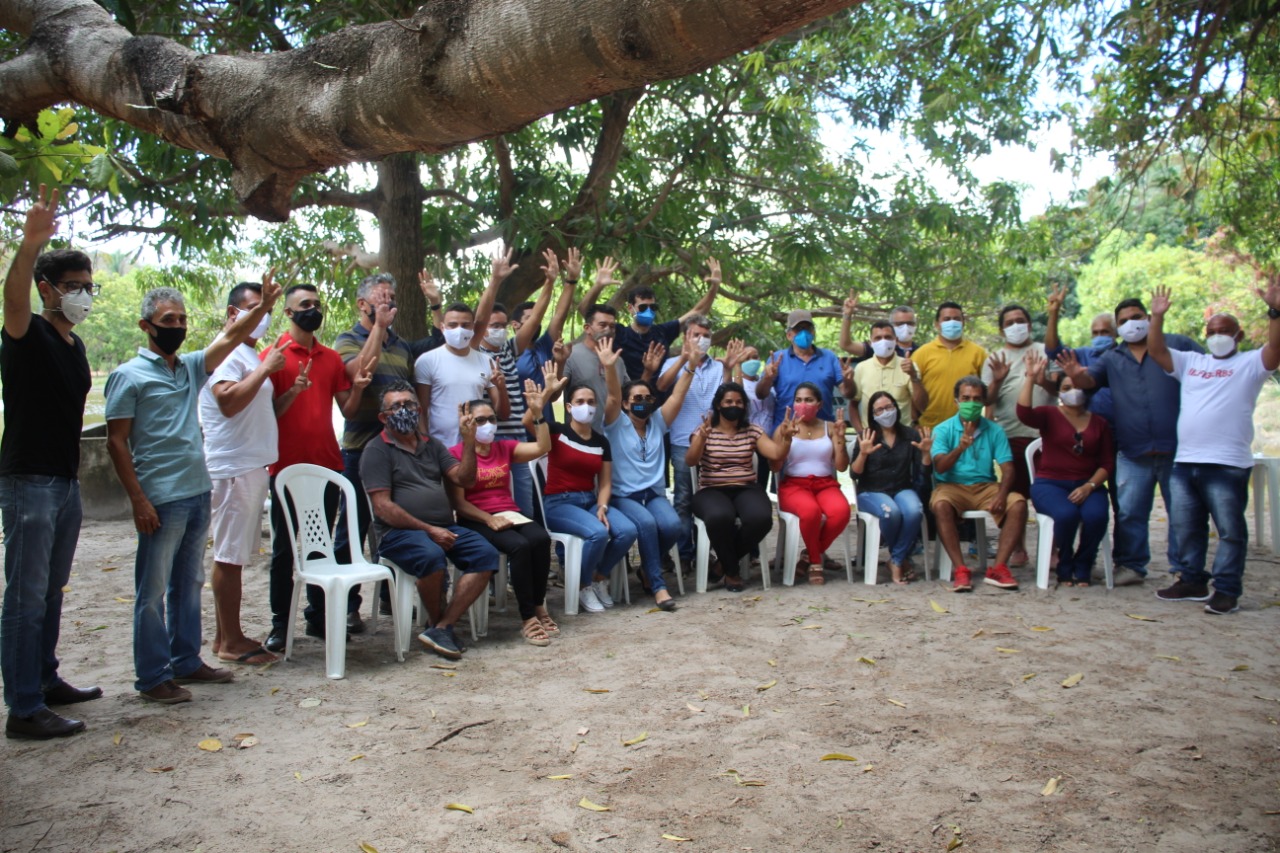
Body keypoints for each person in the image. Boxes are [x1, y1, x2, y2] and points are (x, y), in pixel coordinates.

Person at [105, 277, 280, 704]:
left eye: (182, 319)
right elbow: (116, 442)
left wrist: (263, 308)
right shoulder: (127, 376)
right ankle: (152, 676)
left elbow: (232, 334)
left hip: (197, 489)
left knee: (189, 581)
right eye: (169, 319)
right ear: (146, 325)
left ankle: (186, 660)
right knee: (152, 590)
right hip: (160, 497)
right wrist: (138, 499)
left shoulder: (188, 367)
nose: (178, 326)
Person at [1, 186, 99, 739]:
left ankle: (44, 678)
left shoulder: (74, 345)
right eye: (73, 287)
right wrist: (29, 242)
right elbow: (12, 301)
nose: (84, 296)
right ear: (47, 289)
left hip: (65, 482)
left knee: (51, 591)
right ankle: (23, 706)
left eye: (89, 286)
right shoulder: (28, 332)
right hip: (29, 480)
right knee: (24, 594)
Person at [1148, 282, 1280, 614]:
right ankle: (1192, 580)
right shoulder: (1192, 362)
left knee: (1230, 531)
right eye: (1212, 330)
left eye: (1224, 330)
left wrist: (1275, 310)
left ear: (1239, 336)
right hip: (1186, 461)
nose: (1217, 335)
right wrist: (1157, 316)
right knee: (1186, 526)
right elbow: (1156, 351)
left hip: (1227, 464)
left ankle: (1226, 590)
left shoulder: (1251, 363)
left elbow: (1275, 349)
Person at [1058, 297, 1204, 586]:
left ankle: (1184, 568)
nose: (1130, 324)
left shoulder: (1178, 345)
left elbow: (1207, 370)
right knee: (1130, 512)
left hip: (1178, 448)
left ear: (1149, 317)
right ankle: (1132, 565)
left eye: (1136, 317)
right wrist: (1076, 374)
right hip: (1132, 449)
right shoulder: (1112, 357)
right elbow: (1090, 382)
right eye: (1123, 321)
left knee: (1183, 513)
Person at [262, 284, 373, 653]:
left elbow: (349, 411)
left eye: (316, 304)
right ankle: (280, 624)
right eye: (303, 305)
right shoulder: (273, 355)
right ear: (288, 314)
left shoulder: (329, 358)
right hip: (285, 468)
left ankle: (318, 618)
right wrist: (292, 391)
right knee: (283, 550)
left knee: (319, 546)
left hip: (326, 465)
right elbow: (265, 416)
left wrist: (356, 388)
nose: (312, 309)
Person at [361, 383, 496, 660]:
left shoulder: (432, 445)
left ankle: (442, 626)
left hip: (444, 527)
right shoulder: (376, 450)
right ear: (383, 417)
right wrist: (429, 529)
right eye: (395, 406)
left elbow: (464, 479)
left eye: (409, 404)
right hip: (398, 533)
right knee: (431, 555)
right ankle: (438, 624)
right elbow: (382, 507)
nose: (404, 410)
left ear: (419, 410)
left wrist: (468, 441)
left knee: (486, 554)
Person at [331, 269, 441, 590]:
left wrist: (435, 304)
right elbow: (359, 371)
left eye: (392, 299)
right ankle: (346, 605)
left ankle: (391, 598)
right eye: (381, 298)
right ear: (361, 303)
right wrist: (378, 327)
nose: (388, 304)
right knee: (352, 527)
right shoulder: (347, 339)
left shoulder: (402, 346)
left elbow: (438, 341)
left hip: (396, 450)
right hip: (359, 450)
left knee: (395, 526)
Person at [198, 282, 284, 666]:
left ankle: (224, 636)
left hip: (248, 465)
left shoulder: (244, 352)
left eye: (266, 308)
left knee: (234, 556)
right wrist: (265, 367)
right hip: (233, 467)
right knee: (228, 556)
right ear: (233, 314)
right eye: (254, 307)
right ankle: (230, 641)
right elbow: (228, 402)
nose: (262, 315)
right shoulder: (229, 351)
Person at [446, 372, 565, 644]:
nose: (488, 425)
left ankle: (538, 605)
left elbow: (543, 446)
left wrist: (538, 413)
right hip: (475, 517)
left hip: (508, 512)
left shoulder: (504, 447)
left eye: (492, 419)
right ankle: (528, 618)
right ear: (467, 422)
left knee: (540, 538)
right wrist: (488, 519)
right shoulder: (455, 454)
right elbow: (458, 503)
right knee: (519, 546)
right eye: (480, 420)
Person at [604, 335, 701, 610]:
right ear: (626, 403)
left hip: (654, 494)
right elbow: (612, 395)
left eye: (647, 398)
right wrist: (610, 368)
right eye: (636, 398)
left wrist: (690, 366)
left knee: (674, 526)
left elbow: (679, 394)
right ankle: (658, 586)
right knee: (645, 524)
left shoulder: (658, 421)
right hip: (625, 496)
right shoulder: (616, 424)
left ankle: (648, 568)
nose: (642, 402)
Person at [1016, 352, 1114, 587]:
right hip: (1050, 484)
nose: (1073, 391)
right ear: (1059, 392)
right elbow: (1024, 413)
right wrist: (1030, 378)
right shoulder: (1049, 415)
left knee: (1097, 516)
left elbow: (1108, 463)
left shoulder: (1100, 423)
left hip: (1088, 485)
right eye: (1066, 386)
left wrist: (1090, 486)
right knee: (1066, 515)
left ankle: (1084, 563)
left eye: (1076, 386)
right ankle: (1065, 562)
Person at [540, 380, 639, 612]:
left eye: (591, 402)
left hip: (590, 501)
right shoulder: (556, 431)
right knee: (598, 532)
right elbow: (529, 423)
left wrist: (602, 506)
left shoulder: (601, 441)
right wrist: (544, 395)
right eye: (580, 402)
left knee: (627, 531)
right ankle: (581, 585)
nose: (587, 406)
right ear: (568, 407)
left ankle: (596, 577)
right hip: (558, 502)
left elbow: (605, 482)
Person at [687, 383, 790, 591]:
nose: (734, 405)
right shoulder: (704, 430)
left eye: (738, 402)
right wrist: (701, 439)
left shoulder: (752, 430)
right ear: (718, 404)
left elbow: (776, 454)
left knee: (761, 519)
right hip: (711, 489)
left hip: (746, 487)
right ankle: (732, 572)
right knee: (719, 517)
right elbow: (690, 461)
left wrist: (786, 438)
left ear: (745, 406)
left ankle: (721, 564)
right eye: (728, 402)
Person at [930, 375, 1027, 593]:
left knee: (1018, 503)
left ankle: (999, 567)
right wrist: (960, 448)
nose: (971, 403)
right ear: (956, 401)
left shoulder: (994, 430)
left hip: (986, 487)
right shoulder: (943, 430)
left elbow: (1009, 468)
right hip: (952, 486)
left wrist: (1002, 494)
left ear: (983, 402)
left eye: (976, 399)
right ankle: (960, 569)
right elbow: (940, 467)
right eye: (965, 398)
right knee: (940, 505)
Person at [657, 314, 739, 571]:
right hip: (682, 441)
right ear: (686, 337)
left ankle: (713, 553)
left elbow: (730, 399)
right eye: (696, 335)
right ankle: (685, 555)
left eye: (706, 336)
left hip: (715, 444)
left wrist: (727, 369)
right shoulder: (673, 362)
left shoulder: (718, 366)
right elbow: (661, 385)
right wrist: (684, 359)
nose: (701, 340)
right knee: (683, 499)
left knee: (714, 499)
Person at [981, 302, 1056, 567]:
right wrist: (998, 380)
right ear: (1002, 330)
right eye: (1009, 322)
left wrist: (1039, 379)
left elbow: (1058, 388)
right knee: (1016, 496)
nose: (1016, 326)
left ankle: (1053, 550)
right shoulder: (995, 358)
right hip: (1010, 436)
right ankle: (1019, 549)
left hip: (1046, 437)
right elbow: (988, 399)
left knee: (1049, 494)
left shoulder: (1044, 352)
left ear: (1029, 323)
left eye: (1020, 320)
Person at [850, 392, 933, 585]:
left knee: (915, 511)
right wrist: (863, 454)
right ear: (873, 414)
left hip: (902, 488)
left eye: (889, 407)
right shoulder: (866, 436)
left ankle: (895, 559)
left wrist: (927, 454)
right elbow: (854, 475)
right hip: (872, 491)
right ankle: (900, 559)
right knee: (891, 513)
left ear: (896, 407)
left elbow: (923, 473)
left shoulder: (910, 435)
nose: (885, 412)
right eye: (880, 410)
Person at [774, 382, 852, 585]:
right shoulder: (784, 428)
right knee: (810, 512)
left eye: (809, 400)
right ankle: (816, 562)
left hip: (825, 483)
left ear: (819, 404)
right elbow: (774, 466)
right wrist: (785, 439)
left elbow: (842, 467)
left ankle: (808, 555)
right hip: (794, 485)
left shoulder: (831, 427)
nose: (803, 404)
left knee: (841, 512)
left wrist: (841, 439)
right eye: (798, 400)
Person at [611, 257, 722, 381]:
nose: (649, 311)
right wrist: (598, 285)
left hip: (661, 397)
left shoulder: (662, 332)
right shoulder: (619, 333)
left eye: (653, 307)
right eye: (642, 307)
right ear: (630, 308)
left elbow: (698, 311)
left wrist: (714, 287)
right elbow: (591, 316)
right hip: (628, 397)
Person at [414, 301, 508, 447]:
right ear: (443, 328)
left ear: (473, 328)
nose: (459, 330)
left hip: (477, 447)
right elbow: (421, 409)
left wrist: (502, 388)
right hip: (440, 447)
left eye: (465, 325)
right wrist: (426, 444)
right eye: (452, 325)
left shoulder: (487, 362)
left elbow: (503, 414)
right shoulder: (427, 361)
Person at [755, 308, 856, 438]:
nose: (804, 333)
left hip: (824, 434)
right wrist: (767, 379)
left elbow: (848, 393)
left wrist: (849, 381)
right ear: (789, 335)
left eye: (807, 328)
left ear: (813, 332)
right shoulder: (777, 359)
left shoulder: (829, 357)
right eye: (798, 329)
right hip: (786, 432)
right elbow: (761, 394)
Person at [1043, 284, 1117, 426]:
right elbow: (1053, 351)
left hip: (1121, 427)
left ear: (1115, 333)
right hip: (1089, 427)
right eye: (1095, 333)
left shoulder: (1124, 355)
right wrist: (1054, 313)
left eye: (1104, 332)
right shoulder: (1083, 355)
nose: (1099, 336)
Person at [912, 301, 988, 429]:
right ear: (937, 324)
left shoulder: (978, 353)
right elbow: (911, 393)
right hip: (930, 428)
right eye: (946, 319)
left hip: (968, 427)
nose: (952, 322)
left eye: (956, 319)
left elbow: (987, 392)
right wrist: (915, 424)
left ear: (963, 323)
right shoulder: (921, 354)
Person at [850, 320, 928, 431]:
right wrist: (861, 433)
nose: (883, 341)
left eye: (888, 337)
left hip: (902, 436)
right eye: (878, 338)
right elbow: (853, 405)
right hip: (871, 436)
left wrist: (913, 376)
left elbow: (922, 406)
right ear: (871, 342)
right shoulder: (861, 368)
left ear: (896, 340)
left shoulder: (909, 366)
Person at [562, 299, 628, 430]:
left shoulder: (618, 360)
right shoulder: (571, 355)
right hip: (579, 436)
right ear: (587, 328)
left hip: (613, 436)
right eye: (602, 325)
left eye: (612, 326)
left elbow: (626, 397)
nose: (608, 330)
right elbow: (554, 396)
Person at [839, 292, 918, 361]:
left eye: (910, 323)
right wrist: (847, 315)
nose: (905, 327)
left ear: (915, 325)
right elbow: (846, 345)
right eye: (900, 324)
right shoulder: (880, 346)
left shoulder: (921, 351)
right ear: (891, 325)